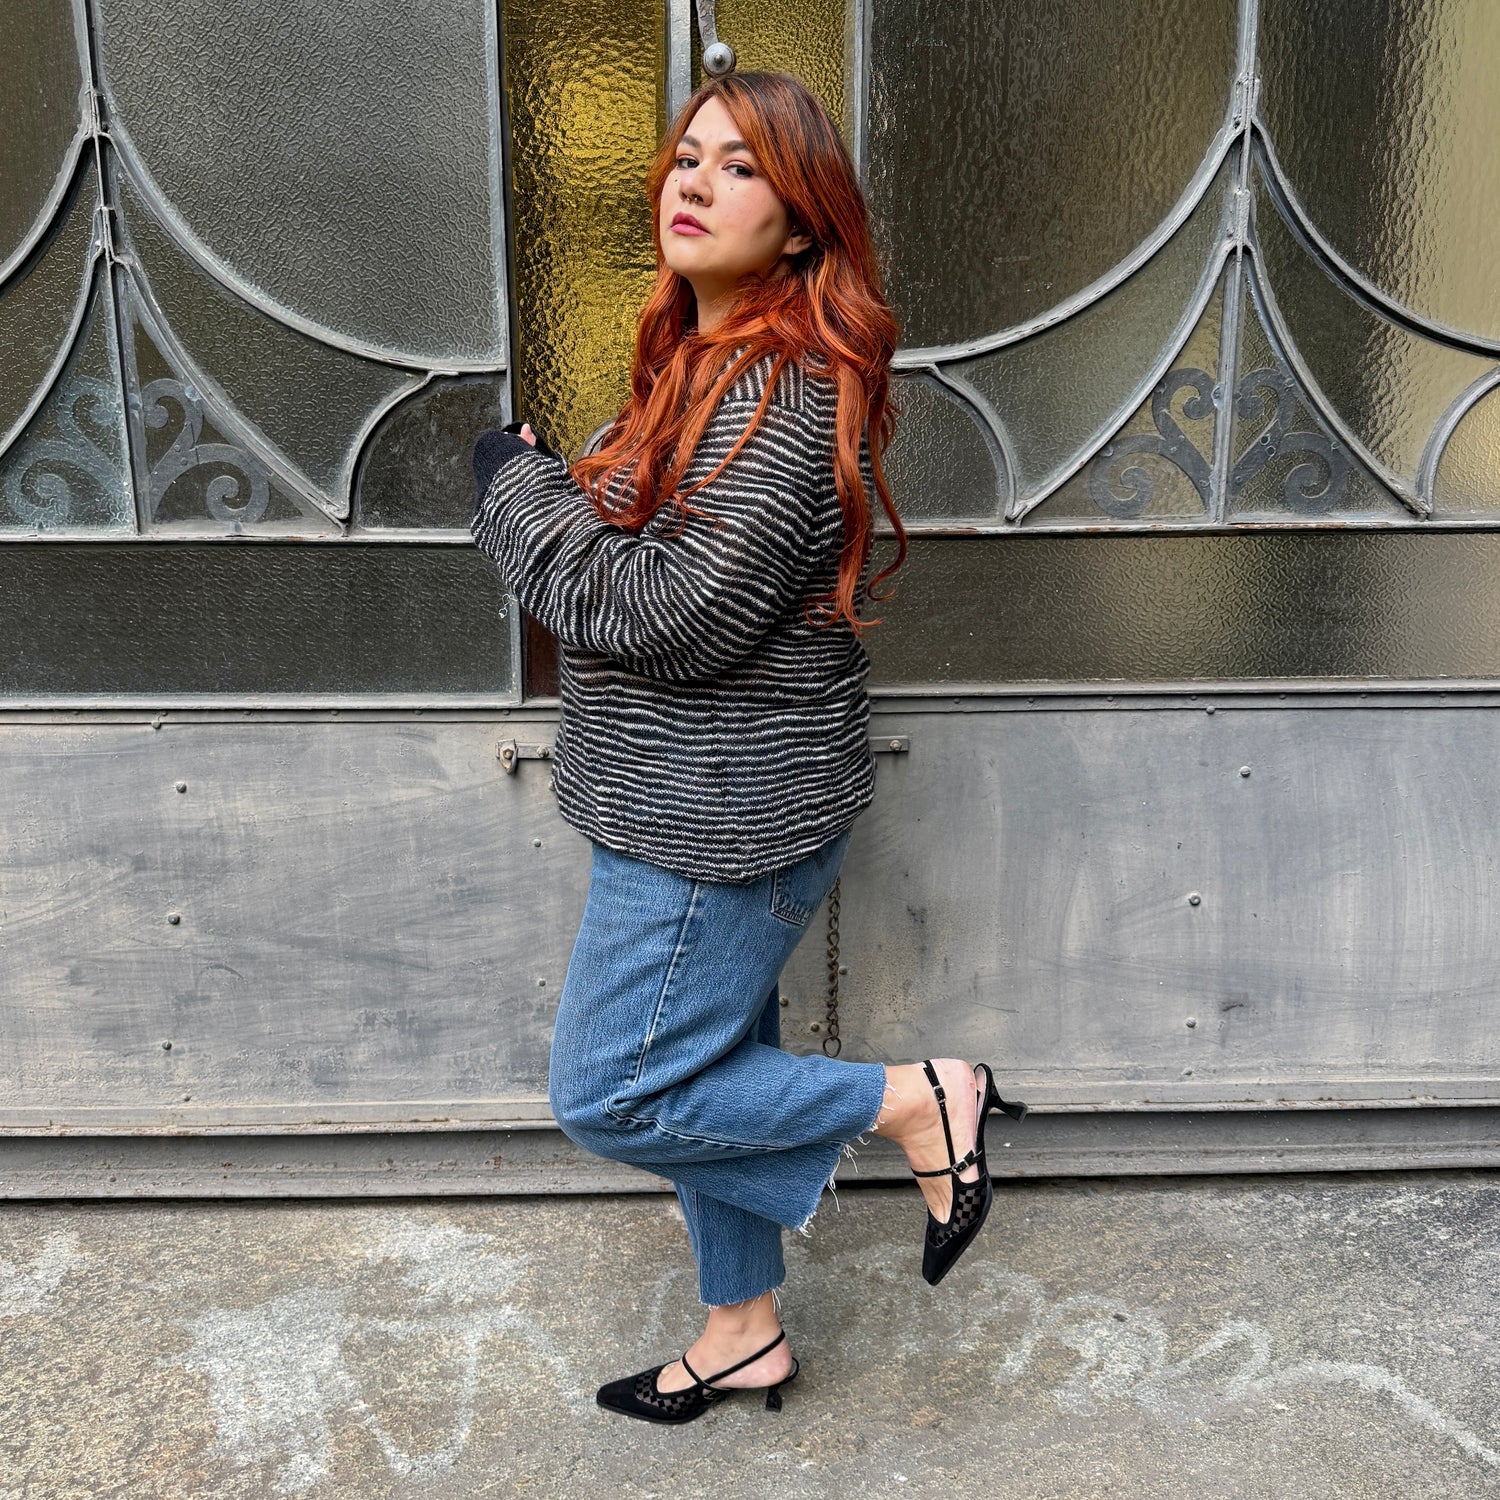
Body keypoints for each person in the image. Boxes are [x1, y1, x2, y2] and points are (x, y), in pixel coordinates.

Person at [470, 69, 1027, 1426]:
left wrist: (516, 490)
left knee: (615, 1090)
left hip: (714, 828)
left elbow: (663, 613)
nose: (695, 182)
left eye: (740, 168)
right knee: (709, 1068)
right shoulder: (700, 358)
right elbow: (646, 561)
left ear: (801, 223)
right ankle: (742, 1332)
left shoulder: (779, 393)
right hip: (681, 800)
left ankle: (922, 1102)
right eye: (689, 156)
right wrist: (566, 485)